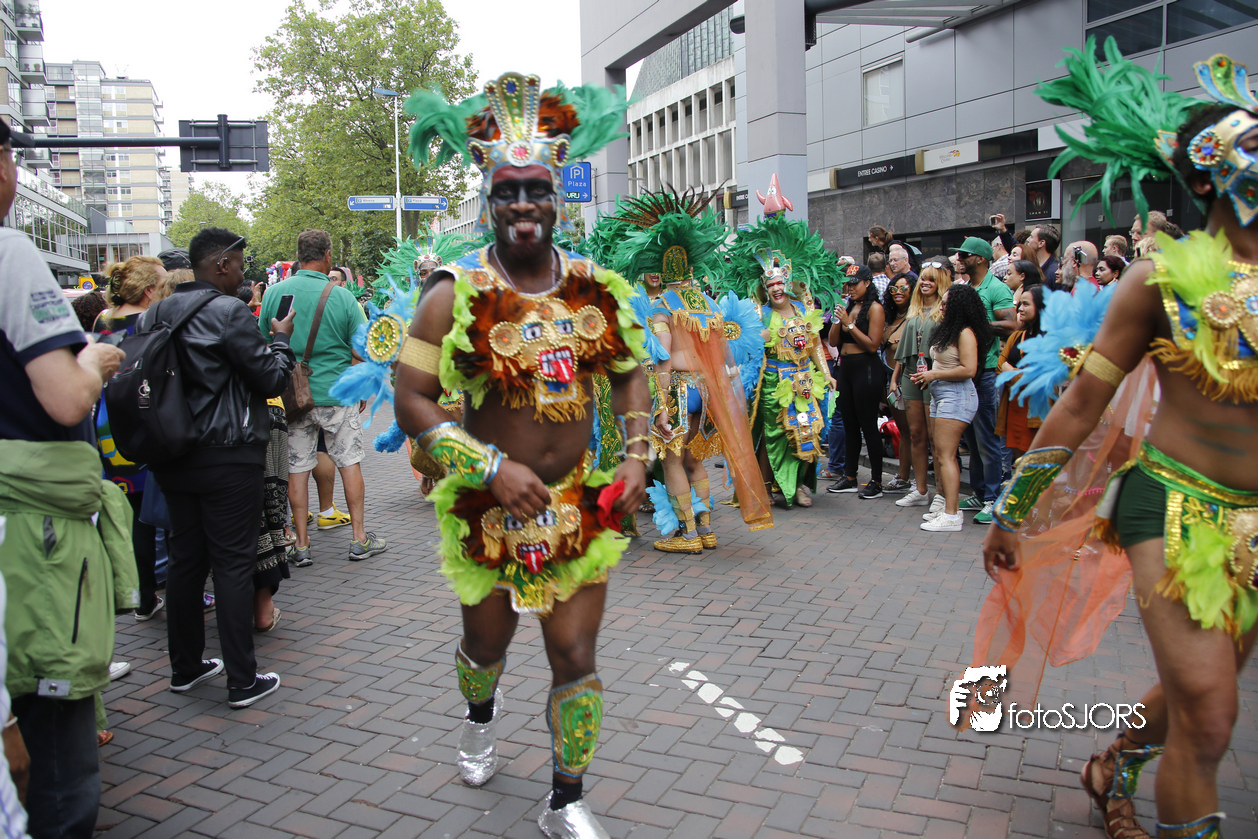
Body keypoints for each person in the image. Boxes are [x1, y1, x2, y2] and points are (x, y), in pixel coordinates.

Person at [981, 45, 1258, 839]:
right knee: (1212, 712)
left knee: (1199, 691)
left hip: (1255, 523)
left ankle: (1115, 761)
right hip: (1172, 506)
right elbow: (1081, 404)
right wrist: (1015, 509)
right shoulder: (1158, 281)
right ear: (1210, 176)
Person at [396, 71, 650, 838]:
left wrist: (637, 455)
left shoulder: (596, 288)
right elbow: (411, 398)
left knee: (574, 650)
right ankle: (480, 715)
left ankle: (566, 798)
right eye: (507, 192)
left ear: (557, 194)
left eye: (536, 189)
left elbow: (631, 371)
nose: (523, 206)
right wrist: (489, 468)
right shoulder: (451, 291)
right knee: (486, 644)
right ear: (488, 197)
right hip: (488, 508)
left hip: (576, 503)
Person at [0, 116, 137, 838]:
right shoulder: (9, 253)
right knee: (56, 755)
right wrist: (92, 362)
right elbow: (62, 398)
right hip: (30, 535)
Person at [150, 227, 296, 710]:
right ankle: (242, 679)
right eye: (237, 263)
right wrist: (280, 340)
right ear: (219, 265)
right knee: (233, 563)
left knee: (186, 561)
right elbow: (270, 379)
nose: (242, 272)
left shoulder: (156, 312)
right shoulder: (229, 312)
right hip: (227, 453)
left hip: (173, 453)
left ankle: (185, 667)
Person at [260, 229, 386, 565]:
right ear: (328, 255)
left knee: (297, 468)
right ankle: (359, 538)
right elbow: (363, 347)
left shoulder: (275, 293)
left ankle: (301, 544)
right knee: (349, 462)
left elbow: (264, 342)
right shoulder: (342, 298)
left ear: (298, 255)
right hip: (337, 392)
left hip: (292, 396)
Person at [913, 284, 992, 532]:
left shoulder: (965, 333)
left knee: (946, 456)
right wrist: (928, 375)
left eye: (947, 303)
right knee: (941, 453)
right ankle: (948, 507)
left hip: (957, 396)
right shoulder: (950, 330)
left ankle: (952, 514)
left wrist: (934, 375)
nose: (942, 307)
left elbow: (969, 369)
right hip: (941, 394)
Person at [950, 237, 1017, 524]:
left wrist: (978, 325)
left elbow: (1012, 325)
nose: (959, 259)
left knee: (987, 439)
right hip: (966, 371)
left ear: (980, 258)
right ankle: (980, 492)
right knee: (971, 439)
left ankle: (993, 498)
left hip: (986, 372)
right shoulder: (966, 288)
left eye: (964, 254)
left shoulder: (997, 288)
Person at [891, 258, 953, 509]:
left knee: (936, 438)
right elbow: (903, 351)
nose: (926, 283)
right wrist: (895, 378)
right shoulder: (913, 309)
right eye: (923, 279)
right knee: (916, 434)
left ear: (940, 283)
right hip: (910, 374)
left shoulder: (945, 310)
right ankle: (920, 490)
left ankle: (941, 493)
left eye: (931, 280)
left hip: (934, 373)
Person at [827, 265, 887, 498]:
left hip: (866, 369)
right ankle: (850, 476)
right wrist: (838, 320)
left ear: (867, 283)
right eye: (848, 284)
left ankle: (876, 481)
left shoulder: (875, 308)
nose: (850, 288)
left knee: (868, 426)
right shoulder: (848, 307)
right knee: (849, 425)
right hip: (846, 368)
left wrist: (849, 324)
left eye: (855, 283)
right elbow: (833, 340)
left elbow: (872, 345)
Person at [995, 284, 1044, 463]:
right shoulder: (1017, 336)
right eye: (1020, 304)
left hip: (1037, 411)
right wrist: (1018, 374)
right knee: (1019, 462)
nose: (1020, 308)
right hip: (1014, 407)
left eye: (1026, 304)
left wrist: (1011, 371)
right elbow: (999, 366)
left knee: (1036, 463)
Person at [881, 273, 916, 493]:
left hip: (907, 379)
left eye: (904, 288)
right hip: (890, 379)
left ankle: (915, 480)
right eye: (894, 289)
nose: (898, 293)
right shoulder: (891, 316)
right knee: (903, 429)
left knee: (914, 431)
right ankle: (903, 477)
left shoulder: (915, 317)